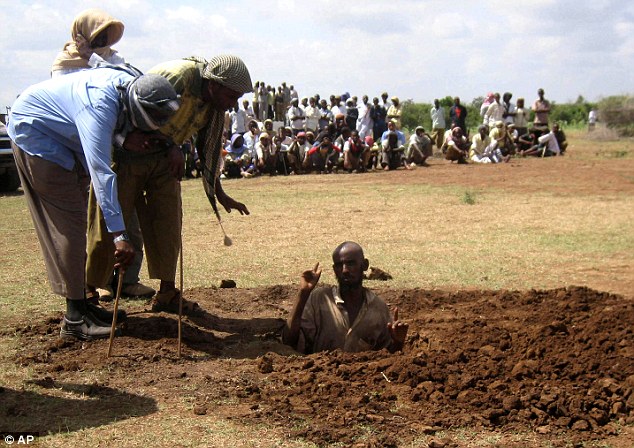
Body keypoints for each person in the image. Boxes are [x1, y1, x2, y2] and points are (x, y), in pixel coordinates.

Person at [8, 68, 180, 340]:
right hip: (37, 134)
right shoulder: (100, 106)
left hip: (63, 139)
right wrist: (119, 235)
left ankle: (85, 307)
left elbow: (109, 136)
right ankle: (75, 318)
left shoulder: (131, 86)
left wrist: (124, 138)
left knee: (75, 223)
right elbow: (101, 170)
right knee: (72, 227)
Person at [86, 55, 253, 317]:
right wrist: (170, 145)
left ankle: (167, 293)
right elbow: (138, 108)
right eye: (232, 97)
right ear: (215, 85)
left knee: (168, 224)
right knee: (108, 223)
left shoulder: (214, 105)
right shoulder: (179, 77)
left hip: (165, 163)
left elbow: (207, 150)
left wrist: (219, 192)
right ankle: (88, 295)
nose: (233, 105)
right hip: (128, 154)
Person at [282, 242, 409, 354]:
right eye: (339, 265)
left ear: (365, 265)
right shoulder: (319, 299)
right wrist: (303, 294)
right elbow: (289, 343)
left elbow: (387, 358)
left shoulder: (378, 308)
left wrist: (398, 342)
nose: (344, 270)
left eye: (351, 263)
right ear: (334, 270)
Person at [51, 9, 125, 78]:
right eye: (97, 35)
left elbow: (118, 79)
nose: (102, 40)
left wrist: (90, 56)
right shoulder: (65, 60)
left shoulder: (114, 58)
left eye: (105, 35)